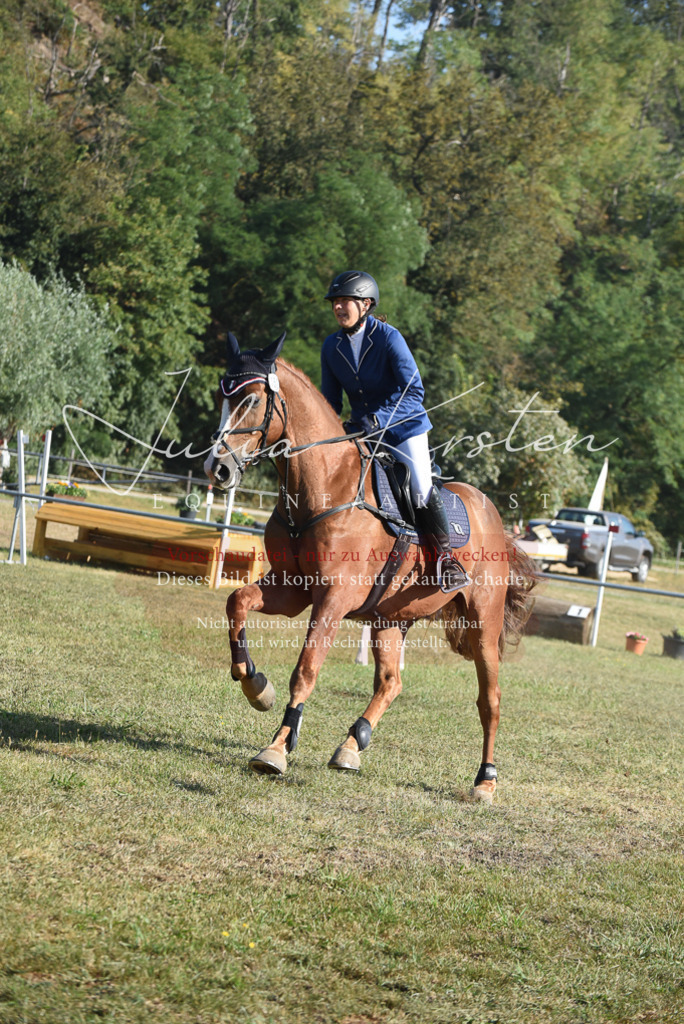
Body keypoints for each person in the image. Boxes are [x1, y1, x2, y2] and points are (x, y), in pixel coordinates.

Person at [320, 270, 468, 593]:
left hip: (404, 428)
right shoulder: (331, 347)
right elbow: (329, 401)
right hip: (361, 432)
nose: (339, 308)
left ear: (366, 304)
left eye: (345, 301)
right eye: (335, 302)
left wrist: (379, 419)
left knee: (419, 488)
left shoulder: (388, 337)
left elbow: (413, 390)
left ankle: (446, 560)